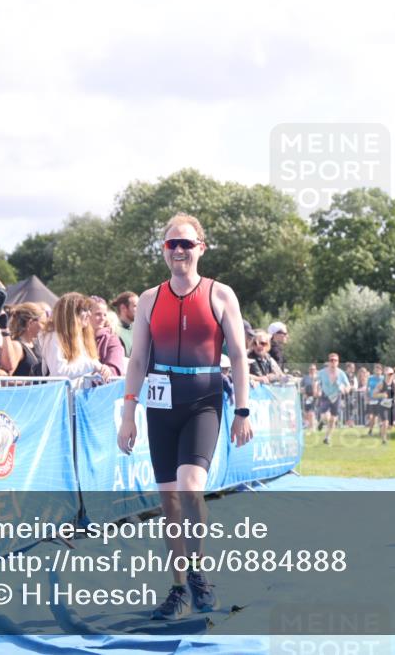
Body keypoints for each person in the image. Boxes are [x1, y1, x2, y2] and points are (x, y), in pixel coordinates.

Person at [116, 213, 252, 620]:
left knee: (192, 488)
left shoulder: (221, 294)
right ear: (164, 250)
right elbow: (137, 358)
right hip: (160, 406)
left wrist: (242, 410)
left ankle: (197, 571)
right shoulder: (147, 299)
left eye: (186, 244)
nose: (178, 251)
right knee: (169, 501)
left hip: (203, 401)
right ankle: (179, 587)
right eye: (171, 244)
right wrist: (128, 414)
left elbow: (240, 356)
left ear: (201, 248)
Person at [41, 293, 113, 384]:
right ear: (71, 313)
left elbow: (91, 364)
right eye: (85, 310)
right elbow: (58, 372)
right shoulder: (54, 337)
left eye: (89, 310)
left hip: (80, 395)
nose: (89, 314)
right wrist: (92, 366)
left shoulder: (82, 336)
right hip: (62, 395)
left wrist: (103, 368)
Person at [0, 302, 46, 377]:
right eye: (43, 323)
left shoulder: (36, 345)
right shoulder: (17, 346)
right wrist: (32, 383)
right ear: (30, 323)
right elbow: (5, 379)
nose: (45, 327)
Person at [318, 352, 351, 445]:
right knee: (325, 416)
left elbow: (348, 386)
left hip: (336, 396)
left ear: (338, 362)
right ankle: (322, 421)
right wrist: (317, 389)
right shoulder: (322, 372)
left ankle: (327, 437)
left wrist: (346, 390)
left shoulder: (341, 373)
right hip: (325, 395)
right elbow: (315, 381)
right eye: (331, 360)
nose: (333, 362)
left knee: (333, 419)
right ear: (328, 362)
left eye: (335, 360)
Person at [89, 295, 126, 376]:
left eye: (105, 315)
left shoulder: (111, 339)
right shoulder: (77, 338)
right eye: (98, 314)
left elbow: (115, 369)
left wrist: (106, 371)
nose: (102, 318)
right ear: (88, 314)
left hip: (102, 387)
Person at [372, 366, 395, 445]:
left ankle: (382, 429)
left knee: (390, 426)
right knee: (385, 422)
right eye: (388, 374)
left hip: (391, 405)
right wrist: (382, 394)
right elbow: (374, 394)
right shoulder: (381, 384)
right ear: (385, 374)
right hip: (383, 405)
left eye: (391, 374)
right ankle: (384, 439)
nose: (390, 375)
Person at [110, 291, 138, 358]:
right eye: (135, 306)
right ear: (123, 308)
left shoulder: (139, 329)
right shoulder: (113, 331)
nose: (139, 309)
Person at [365, 363, 384, 435]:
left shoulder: (383, 378)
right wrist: (367, 397)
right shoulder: (370, 378)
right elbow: (367, 388)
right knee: (373, 416)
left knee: (381, 416)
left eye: (379, 369)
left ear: (381, 371)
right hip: (372, 399)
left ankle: (381, 431)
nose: (377, 371)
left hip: (381, 399)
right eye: (376, 369)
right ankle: (370, 430)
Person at [301, 363, 321, 431]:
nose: (312, 370)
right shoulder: (305, 378)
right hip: (308, 397)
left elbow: (321, 387)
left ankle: (312, 428)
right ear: (309, 370)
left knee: (311, 412)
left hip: (316, 397)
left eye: (314, 369)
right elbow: (301, 387)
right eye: (311, 369)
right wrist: (304, 393)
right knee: (307, 413)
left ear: (316, 370)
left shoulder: (318, 378)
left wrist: (318, 392)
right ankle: (311, 426)